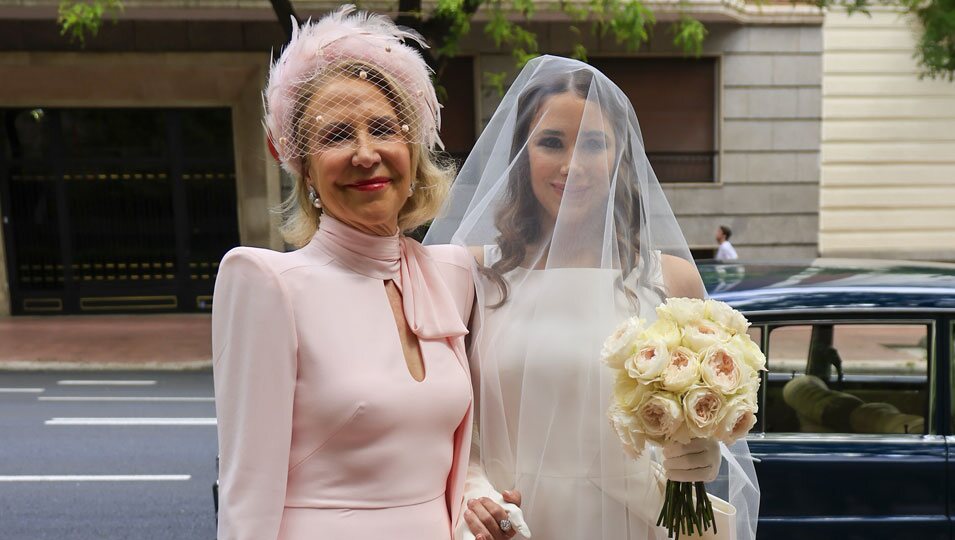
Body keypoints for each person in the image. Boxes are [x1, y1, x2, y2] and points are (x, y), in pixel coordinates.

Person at [426, 56, 760, 540]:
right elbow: (444, 414)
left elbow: (713, 423)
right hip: (512, 521)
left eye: (593, 144)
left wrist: (698, 453)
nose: (571, 165)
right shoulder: (475, 274)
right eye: (551, 143)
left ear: (621, 155)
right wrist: (473, 490)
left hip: (633, 521)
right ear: (522, 154)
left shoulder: (670, 281)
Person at [212, 7, 497, 539]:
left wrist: (478, 500)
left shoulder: (452, 274)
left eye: (384, 129)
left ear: (412, 151)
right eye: (337, 134)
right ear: (304, 166)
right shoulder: (266, 282)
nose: (366, 154)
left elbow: (458, 452)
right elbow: (246, 492)